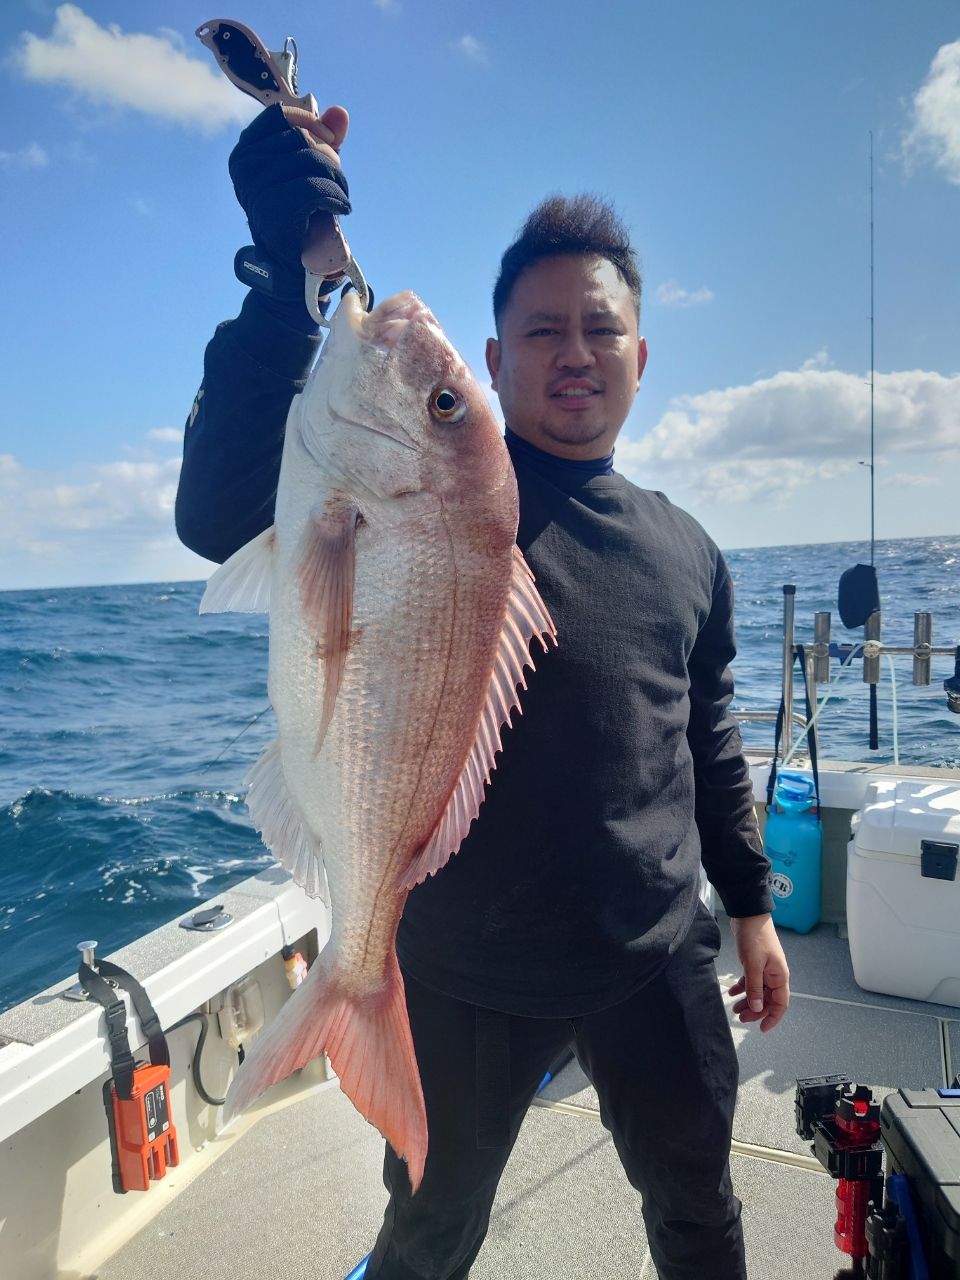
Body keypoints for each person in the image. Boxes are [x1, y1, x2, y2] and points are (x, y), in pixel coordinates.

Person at [176, 102, 791, 1280]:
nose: (573, 352)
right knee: (428, 1232)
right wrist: (285, 278)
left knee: (698, 1207)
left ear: (641, 357)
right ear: (496, 358)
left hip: (651, 949)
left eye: (600, 330)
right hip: (457, 967)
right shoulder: (447, 497)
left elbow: (705, 738)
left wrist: (752, 904)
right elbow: (216, 512)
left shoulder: (687, 546)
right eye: (540, 330)